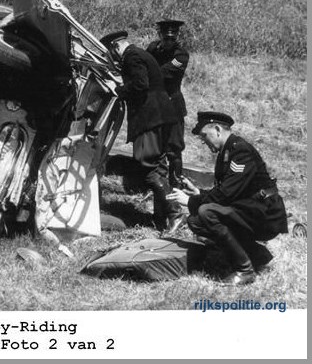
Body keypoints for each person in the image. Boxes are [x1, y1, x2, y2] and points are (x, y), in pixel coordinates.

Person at [167, 112, 288, 285]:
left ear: (217, 129)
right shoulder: (228, 150)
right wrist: (199, 193)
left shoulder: (240, 150)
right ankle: (257, 254)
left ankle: (245, 270)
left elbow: (226, 194)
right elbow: (227, 191)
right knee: (195, 221)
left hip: (265, 213)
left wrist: (190, 202)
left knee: (206, 212)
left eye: (204, 136)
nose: (203, 141)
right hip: (251, 208)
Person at [101, 32, 184, 233]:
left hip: (150, 119)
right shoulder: (140, 53)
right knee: (160, 169)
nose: (111, 58)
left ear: (115, 47)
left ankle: (175, 213)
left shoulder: (131, 56)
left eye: (110, 53)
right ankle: (160, 218)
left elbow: (140, 83)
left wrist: (118, 90)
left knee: (149, 169)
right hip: (163, 117)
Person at [146, 20, 189, 187]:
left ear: (177, 36)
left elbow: (162, 73)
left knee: (174, 148)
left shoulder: (181, 55)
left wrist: (147, 71)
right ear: (160, 35)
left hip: (172, 106)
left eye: (172, 38)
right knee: (156, 147)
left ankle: (176, 185)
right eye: (166, 38)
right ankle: (159, 185)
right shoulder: (152, 48)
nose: (169, 41)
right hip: (155, 105)